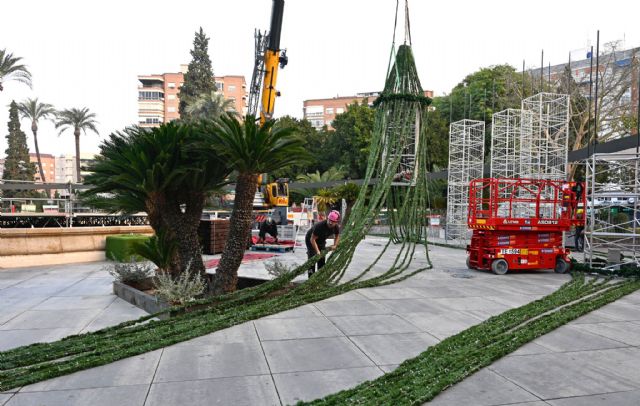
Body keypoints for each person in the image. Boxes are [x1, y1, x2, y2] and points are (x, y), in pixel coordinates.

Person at [306, 210, 341, 277]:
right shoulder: (320, 226)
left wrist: (335, 245)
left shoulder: (336, 227)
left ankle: (319, 278)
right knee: (312, 258)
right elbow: (312, 239)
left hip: (321, 240)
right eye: (329, 220)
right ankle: (310, 278)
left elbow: (337, 236)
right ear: (328, 218)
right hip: (310, 239)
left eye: (333, 221)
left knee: (322, 258)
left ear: (336, 222)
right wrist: (317, 251)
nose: (330, 222)